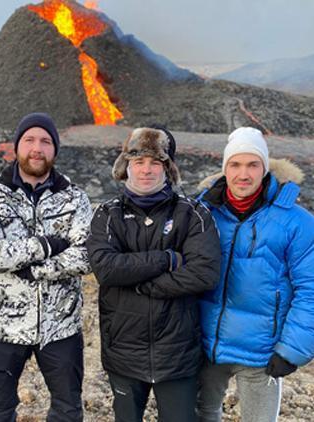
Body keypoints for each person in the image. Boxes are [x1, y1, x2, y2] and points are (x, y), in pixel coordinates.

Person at [86, 126, 221, 421]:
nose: (146, 170)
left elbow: (204, 273)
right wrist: (167, 258)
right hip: (124, 353)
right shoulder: (107, 214)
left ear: (168, 169)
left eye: (155, 162)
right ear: (126, 167)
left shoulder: (193, 214)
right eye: (138, 161)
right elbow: (106, 269)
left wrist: (143, 285)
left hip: (178, 356)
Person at [0, 112, 93, 421]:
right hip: (3, 325)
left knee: (67, 410)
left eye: (45, 141)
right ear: (16, 146)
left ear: (55, 149)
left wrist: (38, 269)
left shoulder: (75, 198)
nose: (37, 148)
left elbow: (85, 255)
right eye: (29, 140)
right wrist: (47, 245)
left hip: (61, 326)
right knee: (0, 410)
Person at [195, 127, 314, 422]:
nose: (243, 174)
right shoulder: (202, 211)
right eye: (235, 165)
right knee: (201, 415)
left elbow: (310, 288)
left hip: (263, 353)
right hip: (205, 343)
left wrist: (291, 350)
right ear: (225, 169)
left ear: (264, 168)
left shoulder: (296, 222)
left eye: (252, 164)